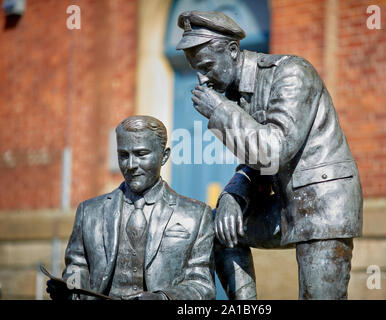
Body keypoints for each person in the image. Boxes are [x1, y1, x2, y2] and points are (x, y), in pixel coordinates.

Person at [176, 10, 363, 300]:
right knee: (217, 227)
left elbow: (273, 151)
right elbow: (255, 164)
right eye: (196, 70)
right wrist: (232, 195)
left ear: (233, 50)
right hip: (286, 205)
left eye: (207, 66)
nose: (202, 79)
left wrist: (219, 111)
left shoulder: (291, 73)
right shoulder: (239, 95)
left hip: (323, 205)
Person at [47, 115, 215, 300]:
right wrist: (71, 290)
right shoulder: (89, 212)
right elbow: (77, 267)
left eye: (141, 154)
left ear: (164, 156)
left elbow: (202, 286)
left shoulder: (196, 216)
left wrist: (162, 298)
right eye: (123, 155)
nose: (131, 165)